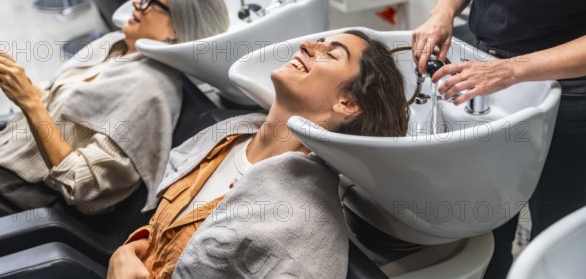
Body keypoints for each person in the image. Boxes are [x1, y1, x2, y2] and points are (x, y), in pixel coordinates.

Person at [107, 30, 410, 279]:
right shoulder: (226, 138)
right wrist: (129, 251)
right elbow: (169, 229)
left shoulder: (304, 227)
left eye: (330, 54)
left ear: (347, 104)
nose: (307, 44)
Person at [412, 0, 586, 277]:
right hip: (488, 77)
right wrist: (441, 12)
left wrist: (513, 69)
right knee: (484, 229)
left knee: (558, 245)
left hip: (572, 97)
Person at [0, 0, 230, 218]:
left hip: (24, 195)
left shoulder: (150, 89)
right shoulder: (115, 45)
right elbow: (61, 110)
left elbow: (82, 187)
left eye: (151, 1)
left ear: (177, 28)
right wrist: (19, 82)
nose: (137, 2)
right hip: (6, 155)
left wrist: (29, 102)